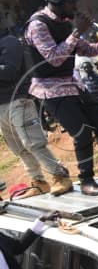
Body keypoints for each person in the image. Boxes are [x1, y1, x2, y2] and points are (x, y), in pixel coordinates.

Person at [23, 0, 98, 195]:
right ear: (57, 2)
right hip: (50, 88)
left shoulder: (64, 21)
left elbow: (85, 49)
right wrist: (77, 32)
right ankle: (86, 180)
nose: (76, 7)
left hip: (72, 84)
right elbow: (53, 58)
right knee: (81, 132)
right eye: (71, 3)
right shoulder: (38, 25)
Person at [0, 26, 72, 194]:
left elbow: (10, 71)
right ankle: (39, 182)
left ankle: (60, 176)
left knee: (33, 143)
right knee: (18, 147)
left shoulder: (9, 42)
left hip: (18, 101)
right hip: (1, 106)